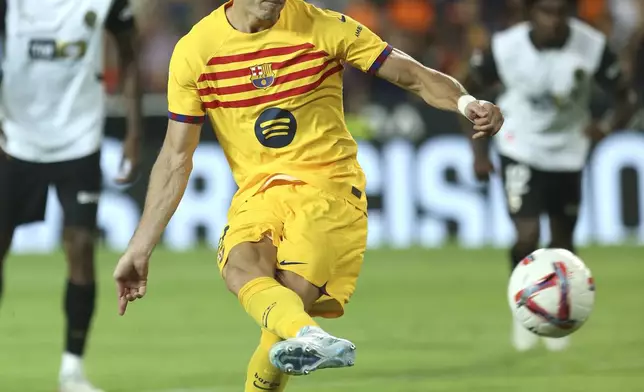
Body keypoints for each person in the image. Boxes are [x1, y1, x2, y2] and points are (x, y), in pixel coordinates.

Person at [113, 0, 503, 390]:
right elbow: (176, 156)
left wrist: (467, 103)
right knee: (241, 267)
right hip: (258, 194)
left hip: (328, 190)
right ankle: (309, 335)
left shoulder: (323, 26)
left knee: (282, 310)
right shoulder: (196, 50)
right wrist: (140, 247)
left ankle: (301, 330)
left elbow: (414, 75)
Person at [463, 0, 637, 352]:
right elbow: (467, 93)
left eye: (561, 13)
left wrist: (605, 128)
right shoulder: (505, 47)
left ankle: (560, 312)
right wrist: (479, 153)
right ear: (531, 14)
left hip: (569, 153)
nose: (554, 21)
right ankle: (523, 308)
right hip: (519, 146)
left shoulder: (592, 46)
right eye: (546, 12)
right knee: (527, 236)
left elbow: (627, 98)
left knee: (563, 243)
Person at [0, 0, 142, 391]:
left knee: (80, 248)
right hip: (15, 143)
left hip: (79, 142)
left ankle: (72, 371)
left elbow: (129, 53)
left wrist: (133, 133)